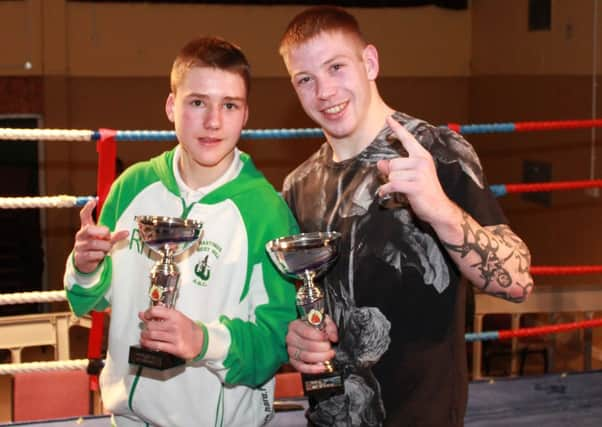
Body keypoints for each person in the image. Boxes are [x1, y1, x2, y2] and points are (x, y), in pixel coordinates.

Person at [278, 6, 533, 427]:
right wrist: (300, 337)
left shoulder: (437, 151)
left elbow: (519, 280)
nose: (324, 91)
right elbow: (305, 308)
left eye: (336, 67)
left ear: (370, 63)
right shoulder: (299, 185)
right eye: (305, 79)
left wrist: (440, 211)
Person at [64, 36, 299, 427]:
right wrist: (85, 267)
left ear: (245, 115)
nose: (213, 121)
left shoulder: (266, 211)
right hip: (127, 419)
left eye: (229, 105)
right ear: (172, 106)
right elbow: (87, 301)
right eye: (197, 102)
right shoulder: (132, 186)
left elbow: (274, 341)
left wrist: (204, 342)